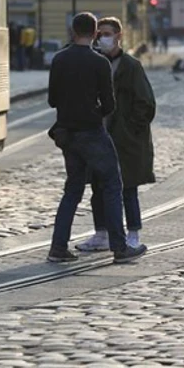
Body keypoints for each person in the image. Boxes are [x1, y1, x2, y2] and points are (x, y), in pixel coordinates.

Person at [46, 12, 148, 264]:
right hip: (92, 132)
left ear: (73, 31)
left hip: (67, 134)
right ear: (94, 34)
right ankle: (119, 247)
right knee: (113, 185)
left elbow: (52, 100)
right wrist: (94, 113)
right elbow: (109, 104)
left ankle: (58, 247)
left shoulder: (59, 59)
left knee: (72, 189)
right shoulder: (99, 63)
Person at [77, 17, 157, 252]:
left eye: (108, 33)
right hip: (98, 136)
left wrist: (129, 129)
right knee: (98, 188)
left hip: (125, 139)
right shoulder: (94, 62)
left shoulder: (131, 66)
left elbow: (146, 104)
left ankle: (133, 233)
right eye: (99, 34)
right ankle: (101, 234)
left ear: (119, 36)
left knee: (128, 188)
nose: (103, 38)